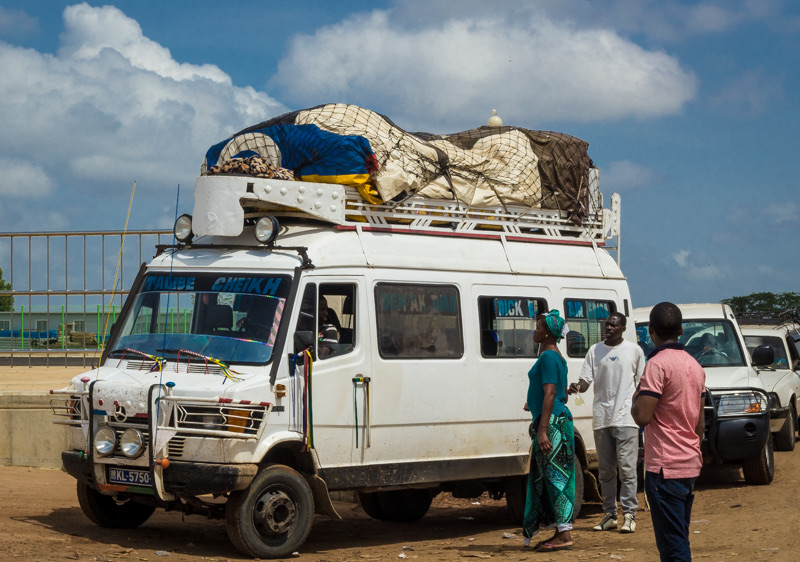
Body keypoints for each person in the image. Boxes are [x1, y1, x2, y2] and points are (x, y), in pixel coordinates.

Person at [632, 302, 705, 562]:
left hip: (665, 468)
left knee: (673, 546)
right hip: (689, 463)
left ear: (651, 331)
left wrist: (636, 397)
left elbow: (642, 416)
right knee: (679, 536)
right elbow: (700, 425)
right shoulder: (695, 366)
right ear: (681, 330)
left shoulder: (657, 364)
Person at [568, 312, 645, 534]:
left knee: (628, 469)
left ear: (622, 328)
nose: (608, 328)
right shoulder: (595, 350)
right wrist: (576, 387)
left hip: (626, 418)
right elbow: (585, 381)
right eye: (607, 325)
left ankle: (629, 514)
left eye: (613, 325)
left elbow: (642, 382)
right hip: (602, 418)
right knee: (605, 471)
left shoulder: (634, 351)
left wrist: (639, 410)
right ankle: (610, 514)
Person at [522, 310, 575, 552]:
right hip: (553, 417)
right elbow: (556, 391)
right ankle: (560, 529)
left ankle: (564, 535)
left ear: (547, 333)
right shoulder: (555, 356)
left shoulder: (548, 358)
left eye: (538, 327)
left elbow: (552, 393)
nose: (535, 331)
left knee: (556, 477)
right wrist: (532, 404)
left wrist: (543, 428)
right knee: (552, 476)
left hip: (552, 423)